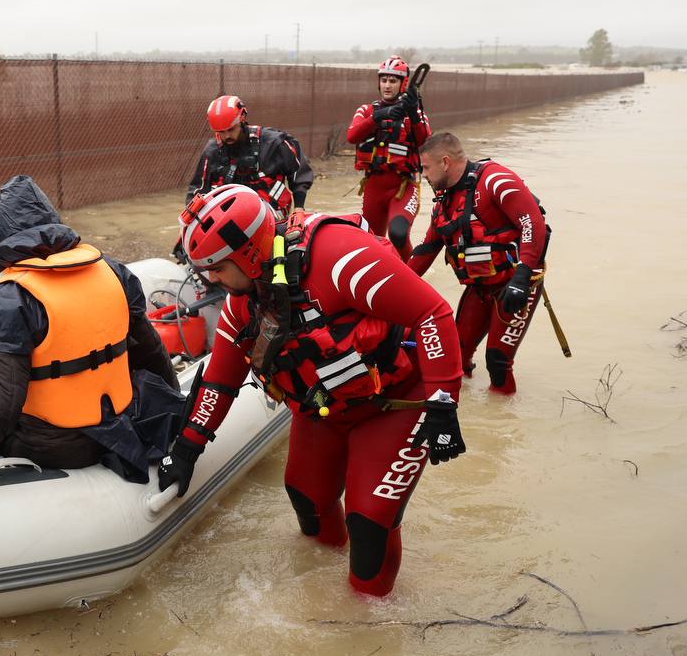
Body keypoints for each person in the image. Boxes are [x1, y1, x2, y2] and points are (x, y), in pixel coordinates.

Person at [159, 184, 466, 598]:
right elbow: (218, 381)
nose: (211, 279)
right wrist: (186, 451)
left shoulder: (339, 257)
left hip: (392, 402)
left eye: (216, 267)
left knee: (369, 521)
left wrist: (444, 402)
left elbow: (432, 312)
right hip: (322, 408)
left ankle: (366, 622)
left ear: (249, 253)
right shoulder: (244, 301)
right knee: (308, 498)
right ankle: (321, 594)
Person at [0, 175, 181, 497]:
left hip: (56, 446)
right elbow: (150, 351)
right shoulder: (113, 272)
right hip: (117, 425)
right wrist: (174, 402)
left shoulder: (7, 299)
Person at [407, 133, 550, 395]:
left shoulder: (496, 180)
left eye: (425, 168)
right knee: (455, 357)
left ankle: (503, 425)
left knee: (497, 362)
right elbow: (427, 249)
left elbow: (533, 223)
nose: (422, 175)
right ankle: (465, 411)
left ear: (446, 162)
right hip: (480, 287)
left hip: (517, 287)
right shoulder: (444, 202)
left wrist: (522, 277)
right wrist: (392, 283)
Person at [345, 56, 431, 261]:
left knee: (398, 235)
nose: (387, 85)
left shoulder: (415, 112)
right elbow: (352, 136)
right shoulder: (366, 110)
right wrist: (380, 116)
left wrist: (413, 114)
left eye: (393, 81)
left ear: (403, 84)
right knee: (370, 242)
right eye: (384, 80)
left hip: (403, 187)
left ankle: (412, 274)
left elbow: (424, 141)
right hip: (374, 186)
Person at [186, 95, 315, 213]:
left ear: (242, 118)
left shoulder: (273, 143)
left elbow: (299, 173)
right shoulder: (212, 151)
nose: (227, 136)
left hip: (271, 217)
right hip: (226, 217)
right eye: (221, 132)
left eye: (231, 130)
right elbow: (198, 190)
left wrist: (299, 209)